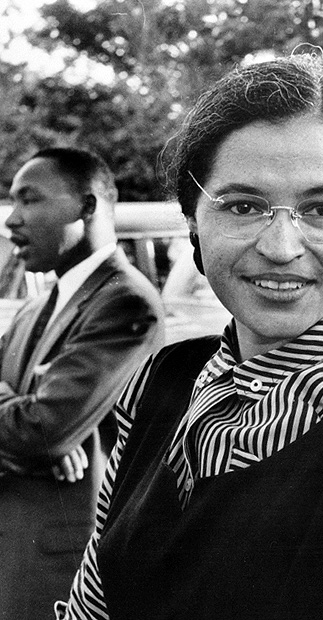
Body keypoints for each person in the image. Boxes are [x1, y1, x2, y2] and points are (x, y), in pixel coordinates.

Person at [57, 54, 323, 620]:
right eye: (243, 205)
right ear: (192, 220)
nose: (283, 247)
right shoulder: (165, 381)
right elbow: (92, 606)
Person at [0, 147, 166, 620]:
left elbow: (42, 431)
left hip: (60, 568)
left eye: (29, 200)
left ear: (87, 206)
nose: (13, 220)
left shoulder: (126, 304)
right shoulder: (37, 306)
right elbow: (40, 433)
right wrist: (29, 420)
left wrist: (41, 429)